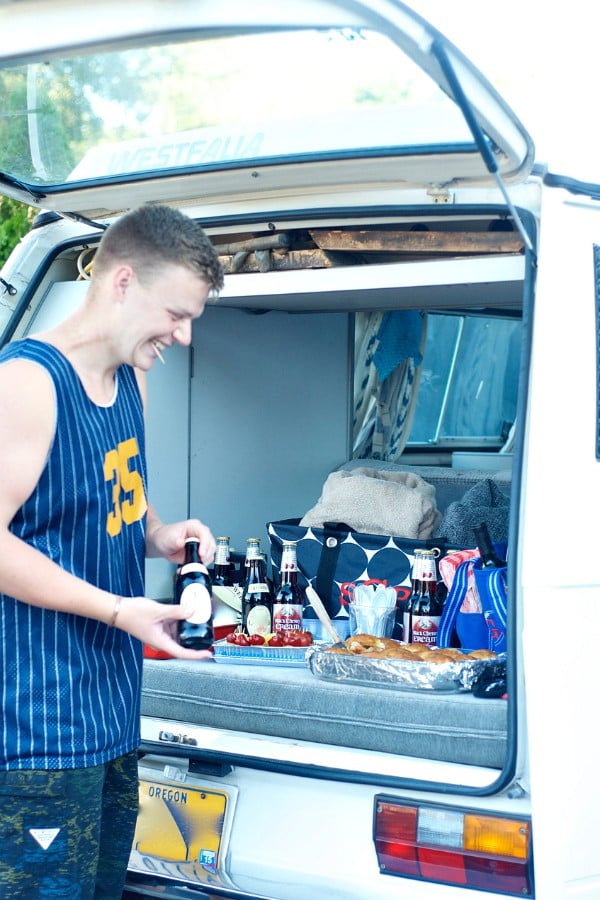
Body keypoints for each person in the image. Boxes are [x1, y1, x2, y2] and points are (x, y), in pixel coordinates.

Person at [0, 204, 224, 899]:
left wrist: (157, 533)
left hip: (112, 715)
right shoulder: (27, 384)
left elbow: (116, 484)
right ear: (122, 281)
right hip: (38, 729)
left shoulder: (133, 375)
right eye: (176, 314)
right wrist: (120, 609)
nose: (183, 337)